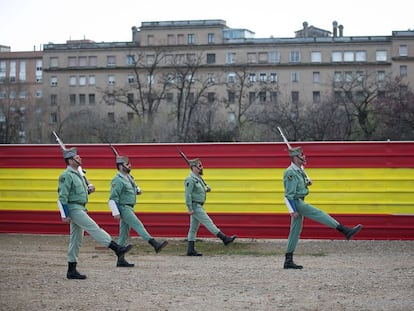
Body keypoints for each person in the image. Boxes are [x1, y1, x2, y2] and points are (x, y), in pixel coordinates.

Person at [57, 147, 132, 280]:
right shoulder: (66, 175)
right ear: (70, 160)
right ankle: (117, 248)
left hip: (81, 207)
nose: (79, 158)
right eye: (76, 157)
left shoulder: (78, 174)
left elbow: (77, 193)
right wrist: (65, 214)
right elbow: (62, 196)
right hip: (74, 209)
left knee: (76, 240)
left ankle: (71, 270)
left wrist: (88, 190)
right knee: (94, 227)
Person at [283, 146, 362, 269]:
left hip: (300, 200)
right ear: (295, 157)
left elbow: (301, 185)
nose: (304, 157)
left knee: (295, 232)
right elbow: (288, 195)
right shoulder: (290, 172)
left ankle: (288, 260)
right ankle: (344, 230)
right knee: (318, 213)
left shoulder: (300, 170)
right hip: (297, 202)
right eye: (301, 155)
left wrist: (307, 182)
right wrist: (292, 210)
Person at [108, 154, 168, 267]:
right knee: (139, 225)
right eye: (127, 164)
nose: (130, 165)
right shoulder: (117, 179)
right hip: (124, 208)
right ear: (120, 166)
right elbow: (113, 197)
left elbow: (131, 189)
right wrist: (115, 212)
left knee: (123, 234)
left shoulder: (129, 177)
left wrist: (137, 190)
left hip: (129, 206)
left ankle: (120, 259)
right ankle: (154, 244)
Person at [184, 157, 237, 256]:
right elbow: (188, 195)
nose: (201, 167)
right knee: (209, 223)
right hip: (195, 206)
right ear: (193, 167)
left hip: (198, 205)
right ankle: (224, 239)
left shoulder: (197, 179)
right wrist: (190, 208)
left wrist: (206, 189)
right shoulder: (190, 179)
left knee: (193, 229)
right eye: (199, 166)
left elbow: (199, 190)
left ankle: (190, 250)